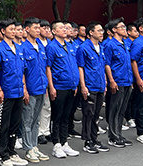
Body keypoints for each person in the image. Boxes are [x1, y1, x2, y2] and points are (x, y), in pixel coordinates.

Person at [0, 20, 29, 166]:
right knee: (3, 125)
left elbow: (22, 71)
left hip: (18, 91)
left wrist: (24, 88)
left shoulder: (19, 48)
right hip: (6, 92)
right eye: (11, 29)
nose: (14, 32)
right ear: (3, 31)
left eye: (15, 29)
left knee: (15, 124)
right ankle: (3, 155)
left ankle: (11, 150)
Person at [45, 21, 81, 158]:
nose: (64, 29)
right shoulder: (52, 47)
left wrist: (75, 84)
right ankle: (56, 144)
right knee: (57, 116)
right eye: (61, 28)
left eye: (65, 27)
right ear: (54, 31)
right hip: (59, 86)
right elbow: (48, 67)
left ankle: (64, 142)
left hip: (70, 86)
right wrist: (51, 87)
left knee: (66, 116)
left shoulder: (70, 45)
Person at [19, 18, 49, 162]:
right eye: (35, 28)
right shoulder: (23, 47)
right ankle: (28, 148)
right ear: (27, 29)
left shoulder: (40, 46)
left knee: (36, 120)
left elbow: (44, 67)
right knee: (27, 119)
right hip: (30, 89)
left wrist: (46, 86)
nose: (38, 30)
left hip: (41, 87)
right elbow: (22, 71)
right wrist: (24, 89)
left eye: (39, 28)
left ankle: (34, 145)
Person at [77, 22, 108, 154]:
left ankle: (94, 139)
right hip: (90, 85)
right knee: (88, 114)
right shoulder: (83, 48)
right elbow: (80, 67)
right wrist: (83, 86)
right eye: (99, 30)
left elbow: (102, 66)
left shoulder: (101, 47)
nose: (102, 33)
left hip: (100, 85)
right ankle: (87, 141)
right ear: (91, 32)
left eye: (102, 30)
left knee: (96, 114)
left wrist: (105, 82)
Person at [103, 18, 133, 148]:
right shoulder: (110, 45)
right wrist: (111, 80)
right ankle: (113, 136)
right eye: (122, 27)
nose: (124, 29)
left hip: (127, 80)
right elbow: (107, 64)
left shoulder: (125, 44)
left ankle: (119, 134)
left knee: (122, 110)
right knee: (114, 109)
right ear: (114, 30)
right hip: (117, 80)